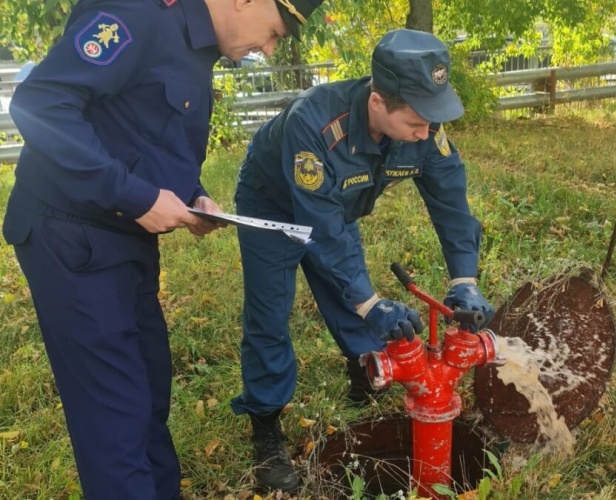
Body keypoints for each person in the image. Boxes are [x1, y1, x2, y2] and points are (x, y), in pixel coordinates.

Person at [1, 0, 323, 499]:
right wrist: (136, 196)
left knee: (150, 393)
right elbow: (40, 106)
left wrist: (188, 191)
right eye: (274, 31)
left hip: (123, 239)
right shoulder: (140, 14)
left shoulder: (197, 46)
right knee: (116, 417)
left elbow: (140, 129)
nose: (267, 48)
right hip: (70, 237)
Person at [232, 28, 496, 493]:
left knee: (347, 291)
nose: (427, 131)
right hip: (271, 206)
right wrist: (371, 302)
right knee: (271, 311)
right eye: (418, 120)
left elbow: (452, 205)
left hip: (334, 206)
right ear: (378, 102)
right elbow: (324, 232)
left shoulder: (422, 129)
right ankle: (266, 428)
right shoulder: (314, 125)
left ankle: (363, 368)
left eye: (433, 119)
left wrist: (465, 279)